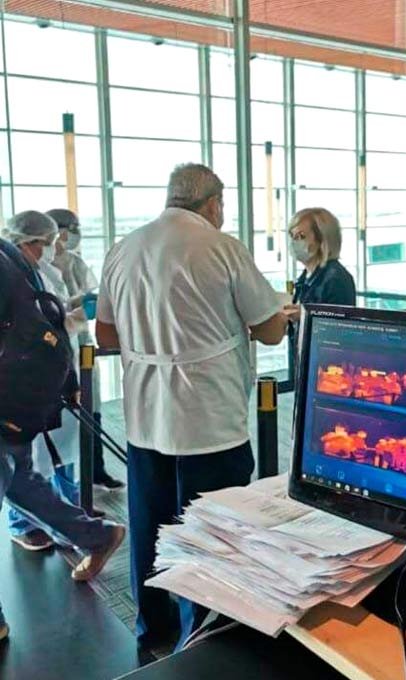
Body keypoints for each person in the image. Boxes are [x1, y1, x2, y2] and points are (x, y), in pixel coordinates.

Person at [95, 163, 288, 651]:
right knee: (210, 531)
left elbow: (105, 334)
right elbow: (270, 329)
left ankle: (151, 627)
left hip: (143, 416)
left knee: (150, 526)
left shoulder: (124, 249)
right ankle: (202, 640)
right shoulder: (222, 248)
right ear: (214, 204)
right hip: (210, 417)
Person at [0, 233, 126, 641]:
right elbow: (47, 316)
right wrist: (67, 378)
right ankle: (97, 534)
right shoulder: (10, 253)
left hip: (5, 400)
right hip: (20, 397)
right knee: (19, 482)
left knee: (17, 477)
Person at [46, 208, 124, 492]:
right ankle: (69, 491)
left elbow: (87, 292)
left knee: (92, 409)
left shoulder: (73, 261)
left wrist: (85, 303)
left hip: (82, 345)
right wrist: (75, 310)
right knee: (65, 424)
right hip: (61, 349)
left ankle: (96, 471)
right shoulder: (37, 268)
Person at [282, 208, 356, 362]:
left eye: (301, 236)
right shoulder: (305, 277)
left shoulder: (336, 278)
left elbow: (339, 328)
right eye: (292, 236)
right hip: (304, 361)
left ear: (322, 240)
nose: (294, 242)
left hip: (326, 366)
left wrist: (304, 315)